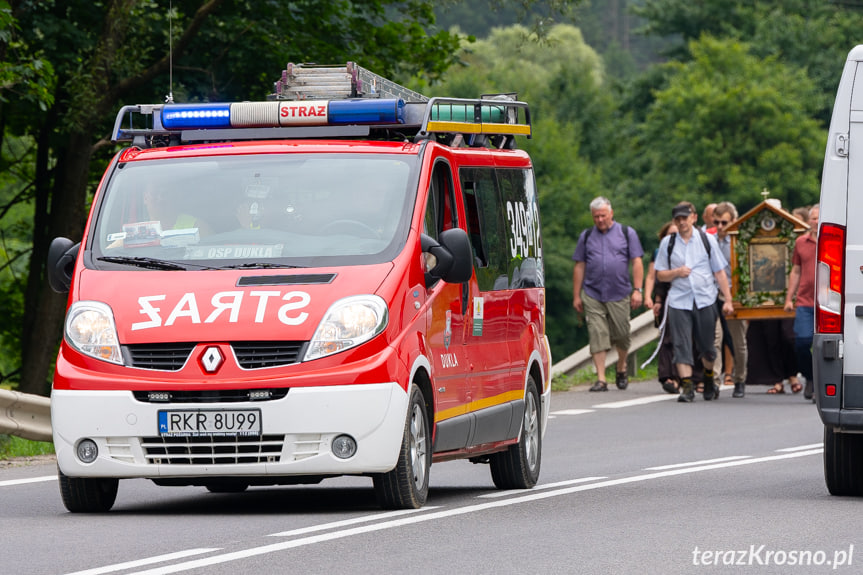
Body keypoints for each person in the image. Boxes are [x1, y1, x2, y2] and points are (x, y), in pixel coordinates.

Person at [655, 201, 734, 403]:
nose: (682, 222)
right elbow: (660, 275)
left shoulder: (707, 240)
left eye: (685, 218)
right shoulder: (668, 243)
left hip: (705, 298)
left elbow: (719, 272)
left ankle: (708, 377)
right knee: (681, 344)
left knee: (708, 346)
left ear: (694, 218)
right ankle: (687, 386)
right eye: (678, 219)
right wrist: (676, 272)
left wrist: (728, 300)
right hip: (679, 300)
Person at [573, 196, 644, 391]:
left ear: (611, 213)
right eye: (596, 217)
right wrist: (576, 295)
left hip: (619, 292)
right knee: (597, 334)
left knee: (622, 334)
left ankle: (621, 367)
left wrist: (638, 290)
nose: (600, 220)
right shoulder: (586, 236)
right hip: (592, 292)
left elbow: (637, 261)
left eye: (603, 215)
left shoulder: (626, 233)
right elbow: (579, 265)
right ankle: (602, 379)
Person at [713, 201, 749, 398]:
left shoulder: (740, 241)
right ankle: (715, 380)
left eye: (724, 222)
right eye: (717, 222)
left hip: (735, 295)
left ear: (734, 221)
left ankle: (740, 379)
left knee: (738, 340)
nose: (720, 227)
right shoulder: (709, 240)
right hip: (713, 294)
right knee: (715, 339)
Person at [784, 205, 819, 401]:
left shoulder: (833, 240)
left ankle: (820, 384)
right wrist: (789, 298)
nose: (815, 221)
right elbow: (796, 271)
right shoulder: (800, 242)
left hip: (828, 301)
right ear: (808, 221)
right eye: (813, 218)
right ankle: (810, 377)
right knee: (802, 342)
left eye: (819, 218)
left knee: (826, 345)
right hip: (805, 300)